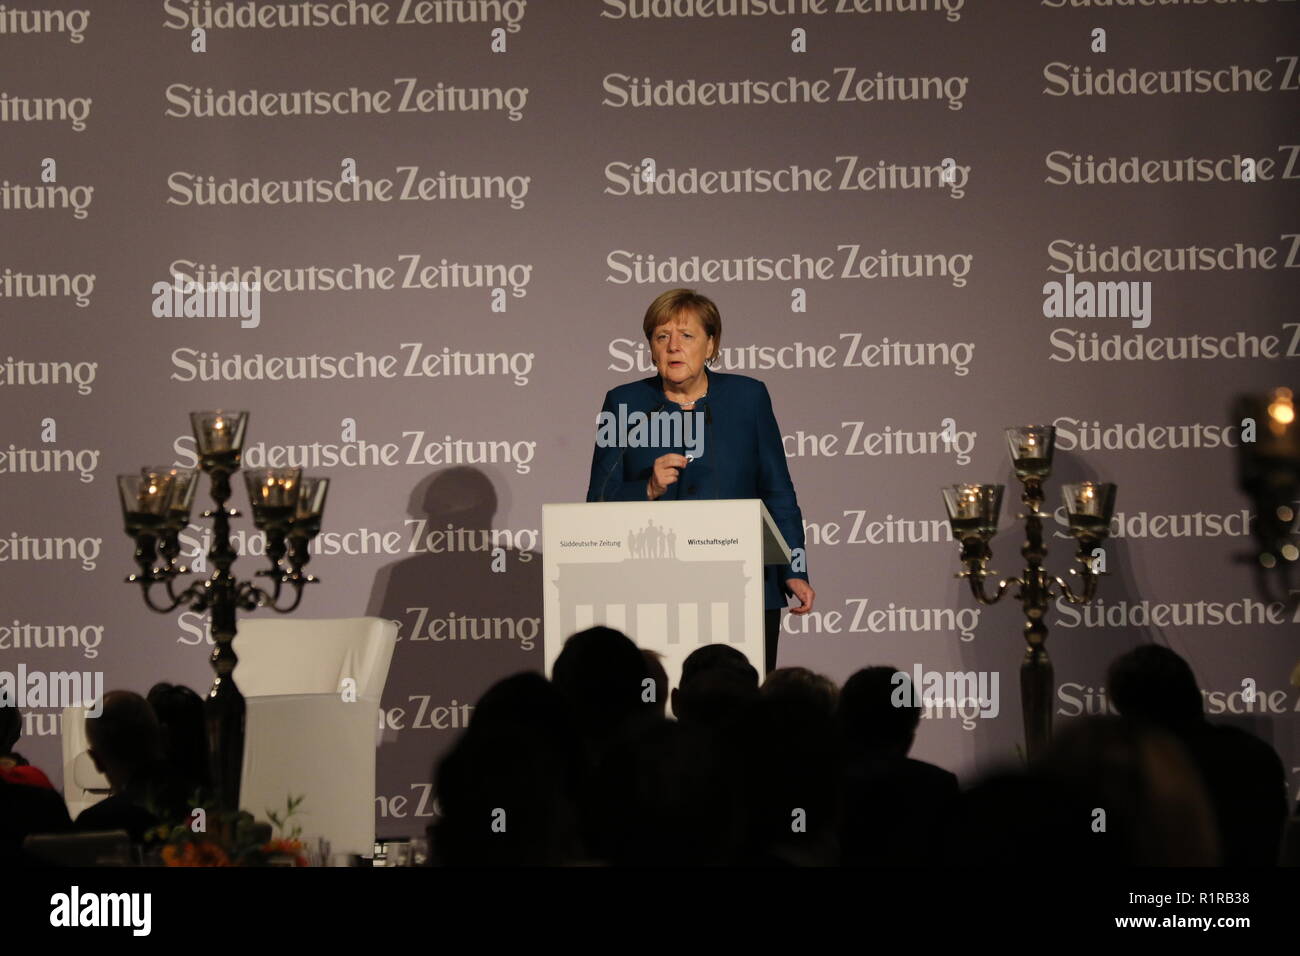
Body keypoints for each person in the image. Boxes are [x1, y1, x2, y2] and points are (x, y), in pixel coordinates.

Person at [586, 288, 814, 672]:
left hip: (744, 585)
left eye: (686, 336)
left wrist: (794, 568)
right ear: (651, 348)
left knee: (745, 710)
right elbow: (599, 500)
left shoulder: (749, 397)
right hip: (655, 588)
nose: (674, 347)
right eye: (662, 337)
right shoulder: (624, 403)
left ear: (711, 344)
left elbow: (777, 490)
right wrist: (646, 489)